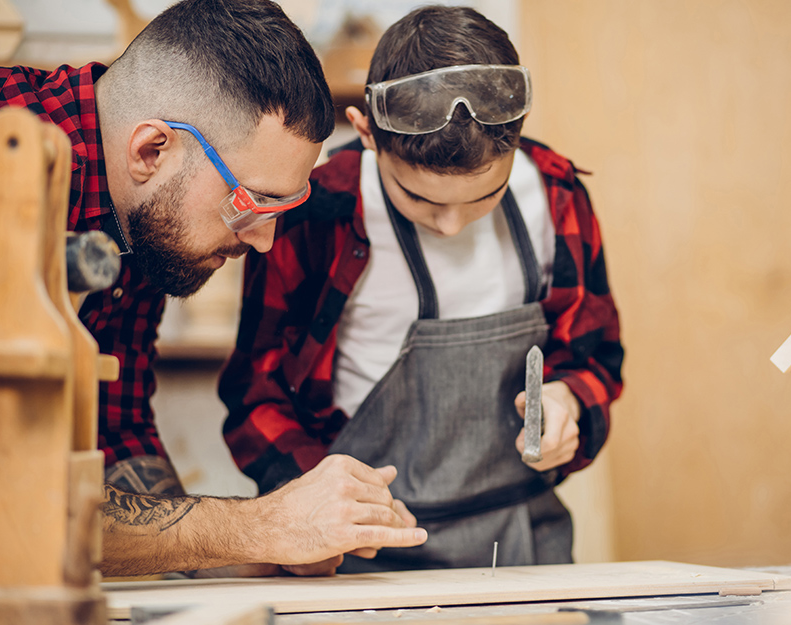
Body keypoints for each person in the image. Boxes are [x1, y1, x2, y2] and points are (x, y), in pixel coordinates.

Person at [0, 0, 426, 576]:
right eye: (251, 203)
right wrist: (255, 527)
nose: (265, 242)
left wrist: (240, 556)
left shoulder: (144, 216)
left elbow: (115, 438)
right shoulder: (5, 162)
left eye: (282, 207)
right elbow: (6, 504)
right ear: (151, 150)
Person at [219, 5, 623, 571]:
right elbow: (255, 394)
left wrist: (569, 400)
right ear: (364, 133)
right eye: (422, 201)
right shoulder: (318, 211)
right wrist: (308, 503)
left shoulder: (554, 194)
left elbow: (596, 357)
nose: (452, 226)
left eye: (484, 197)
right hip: (358, 547)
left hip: (522, 540)